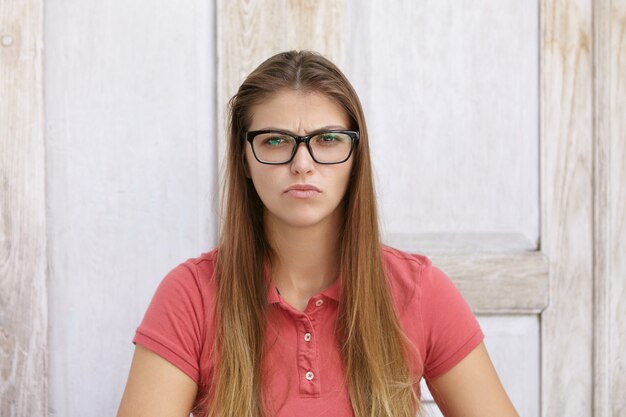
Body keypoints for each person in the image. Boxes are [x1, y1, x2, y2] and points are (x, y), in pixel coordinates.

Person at [116, 50, 519, 417]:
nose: (302, 163)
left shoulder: (418, 290)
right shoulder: (191, 295)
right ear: (244, 158)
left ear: (355, 155)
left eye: (327, 140)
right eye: (275, 141)